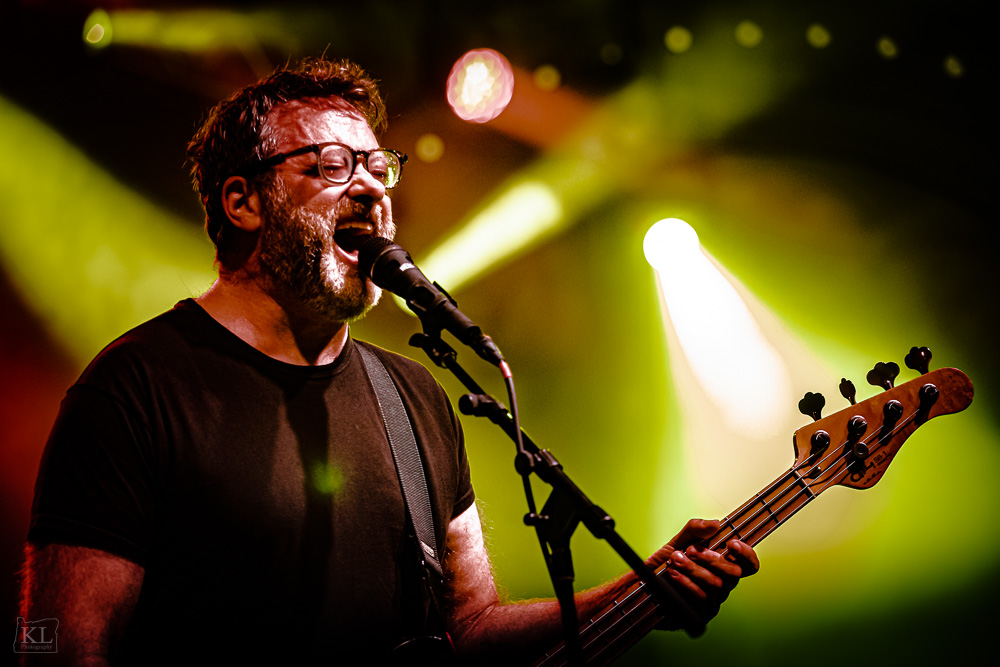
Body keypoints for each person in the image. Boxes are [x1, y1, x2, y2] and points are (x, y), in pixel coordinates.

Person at [19, 57, 759, 665]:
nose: (372, 186)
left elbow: (468, 629)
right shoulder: (135, 388)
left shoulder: (415, 396)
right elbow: (54, 646)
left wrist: (634, 589)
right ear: (243, 202)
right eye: (333, 164)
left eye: (380, 166)